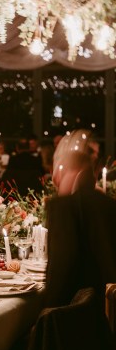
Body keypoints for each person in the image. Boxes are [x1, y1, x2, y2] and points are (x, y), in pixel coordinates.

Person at [44, 130, 116, 309]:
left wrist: (40, 320)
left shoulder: (65, 208)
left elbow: (58, 279)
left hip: (78, 319)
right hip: (104, 311)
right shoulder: (108, 204)